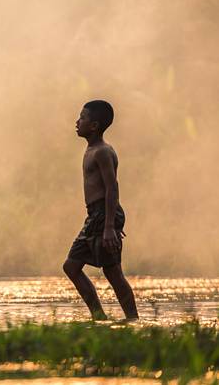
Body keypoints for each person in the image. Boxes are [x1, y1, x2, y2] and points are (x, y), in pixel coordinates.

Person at [63, 100, 138, 320]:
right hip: (94, 215)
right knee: (71, 266)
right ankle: (99, 318)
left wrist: (109, 227)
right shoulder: (91, 150)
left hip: (104, 213)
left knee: (112, 272)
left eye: (82, 118)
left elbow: (112, 189)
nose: (77, 122)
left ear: (94, 125)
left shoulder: (103, 152)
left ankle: (133, 321)